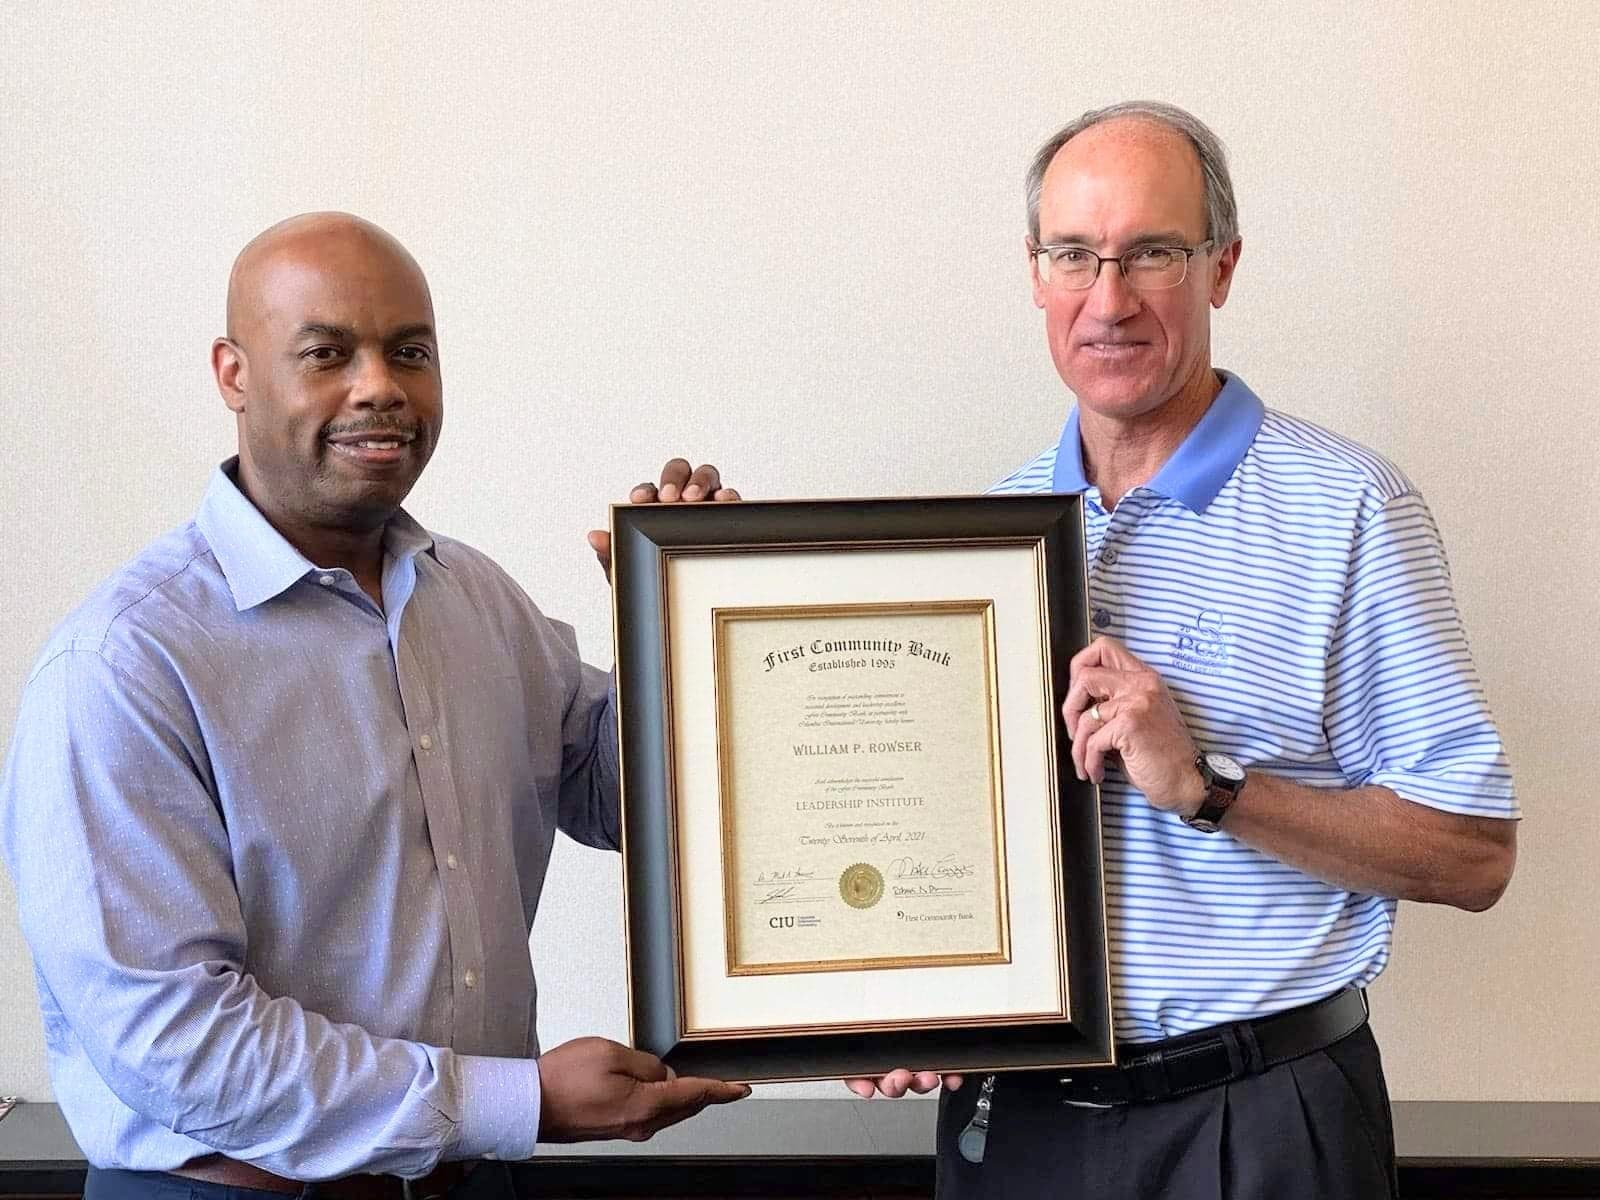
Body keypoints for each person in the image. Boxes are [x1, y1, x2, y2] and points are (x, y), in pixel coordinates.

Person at [0, 212, 749, 1199]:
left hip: (469, 1185)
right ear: (233, 374)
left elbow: (622, 800)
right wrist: (520, 1104)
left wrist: (688, 621)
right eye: (326, 353)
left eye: (410, 352)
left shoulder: (480, 603)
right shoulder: (124, 667)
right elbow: (174, 1042)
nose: (381, 386)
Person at [849, 102, 1518, 1199]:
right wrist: (897, 1002)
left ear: (1222, 267)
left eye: (1152, 252)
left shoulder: (1348, 510)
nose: (1107, 299)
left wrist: (1206, 787)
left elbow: (1473, 857)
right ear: (1033, 273)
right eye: (1073, 254)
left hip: (1257, 1120)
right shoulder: (978, 542)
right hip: (1014, 1125)